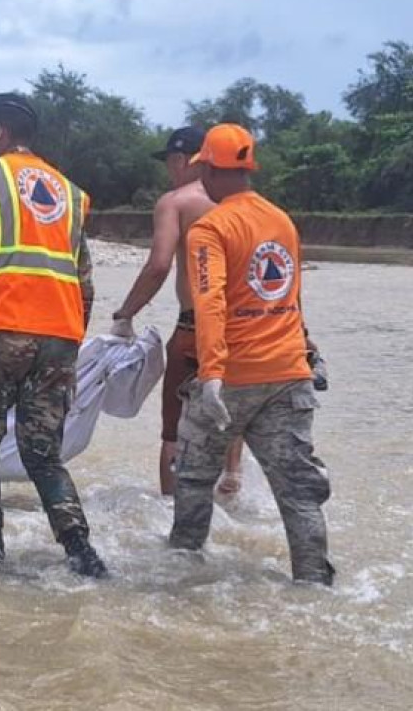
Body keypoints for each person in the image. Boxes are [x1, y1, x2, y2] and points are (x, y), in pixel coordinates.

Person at [0, 92, 107, 578]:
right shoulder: (70, 192)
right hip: (59, 335)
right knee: (43, 454)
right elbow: (85, 281)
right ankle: (81, 552)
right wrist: (70, 344)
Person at [168, 123, 334, 586]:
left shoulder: (210, 227)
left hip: (232, 377)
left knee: (194, 479)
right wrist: (308, 350)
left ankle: (181, 578)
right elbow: (290, 295)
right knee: (299, 492)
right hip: (289, 376)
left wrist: (211, 373)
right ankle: (314, 583)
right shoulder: (282, 221)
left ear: (208, 169)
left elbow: (209, 301)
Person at [111, 127, 244, 497]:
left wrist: (126, 313)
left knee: (174, 428)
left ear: (182, 160)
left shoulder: (176, 202)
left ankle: (171, 507)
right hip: (243, 328)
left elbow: (158, 266)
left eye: (169, 162)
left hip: (195, 327)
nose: (169, 170)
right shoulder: (245, 204)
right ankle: (232, 481)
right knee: (230, 413)